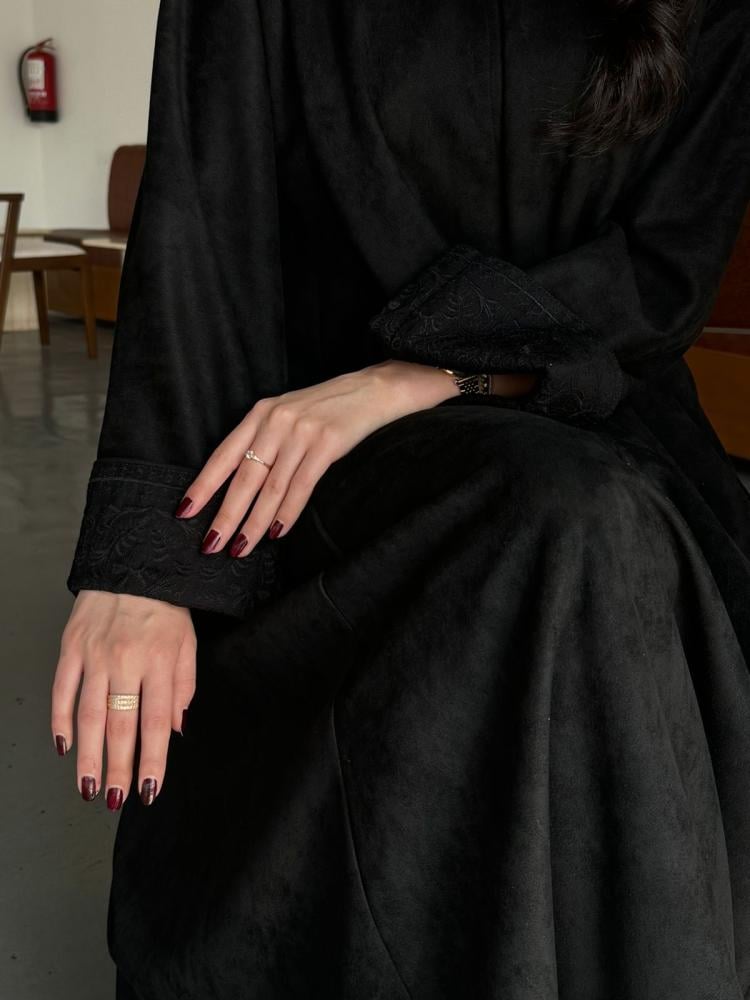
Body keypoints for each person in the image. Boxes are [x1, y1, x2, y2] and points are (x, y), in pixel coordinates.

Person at [51, 0, 750, 996]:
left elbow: (662, 273)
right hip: (314, 446)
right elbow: (204, 214)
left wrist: (427, 375)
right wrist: (145, 565)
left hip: (598, 408)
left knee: (593, 526)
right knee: (570, 522)